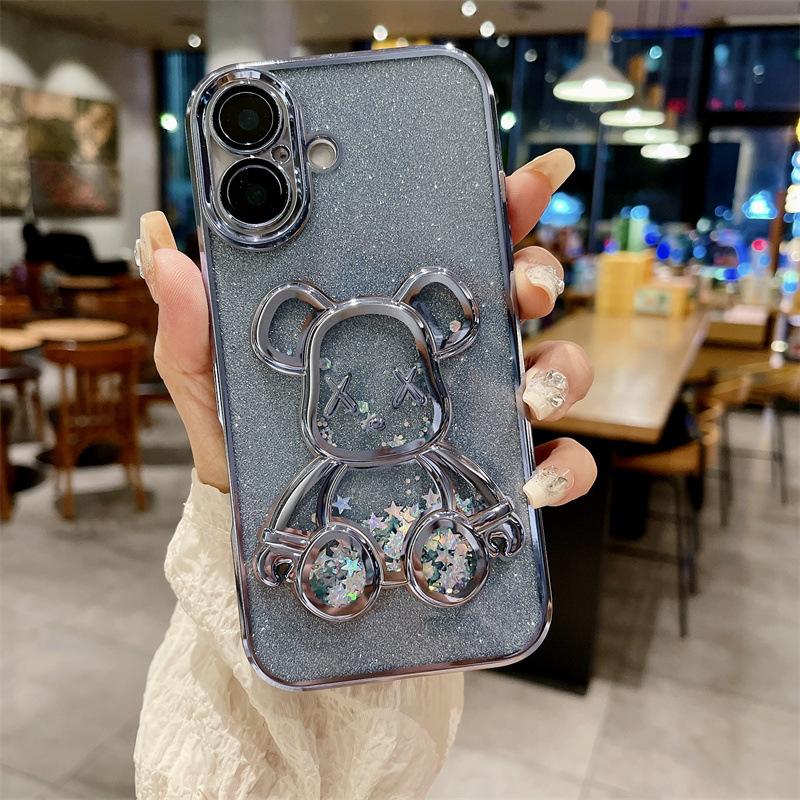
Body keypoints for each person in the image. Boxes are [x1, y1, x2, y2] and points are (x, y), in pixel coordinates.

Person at [133, 148, 596, 799]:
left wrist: (497, 512)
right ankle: (348, 566)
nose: (376, 417)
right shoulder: (327, 462)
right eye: (345, 397)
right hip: (341, 568)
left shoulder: (433, 441)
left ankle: (437, 553)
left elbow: (479, 488)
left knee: (445, 540)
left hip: (429, 565)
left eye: (404, 391)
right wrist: (263, 537)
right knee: (341, 557)